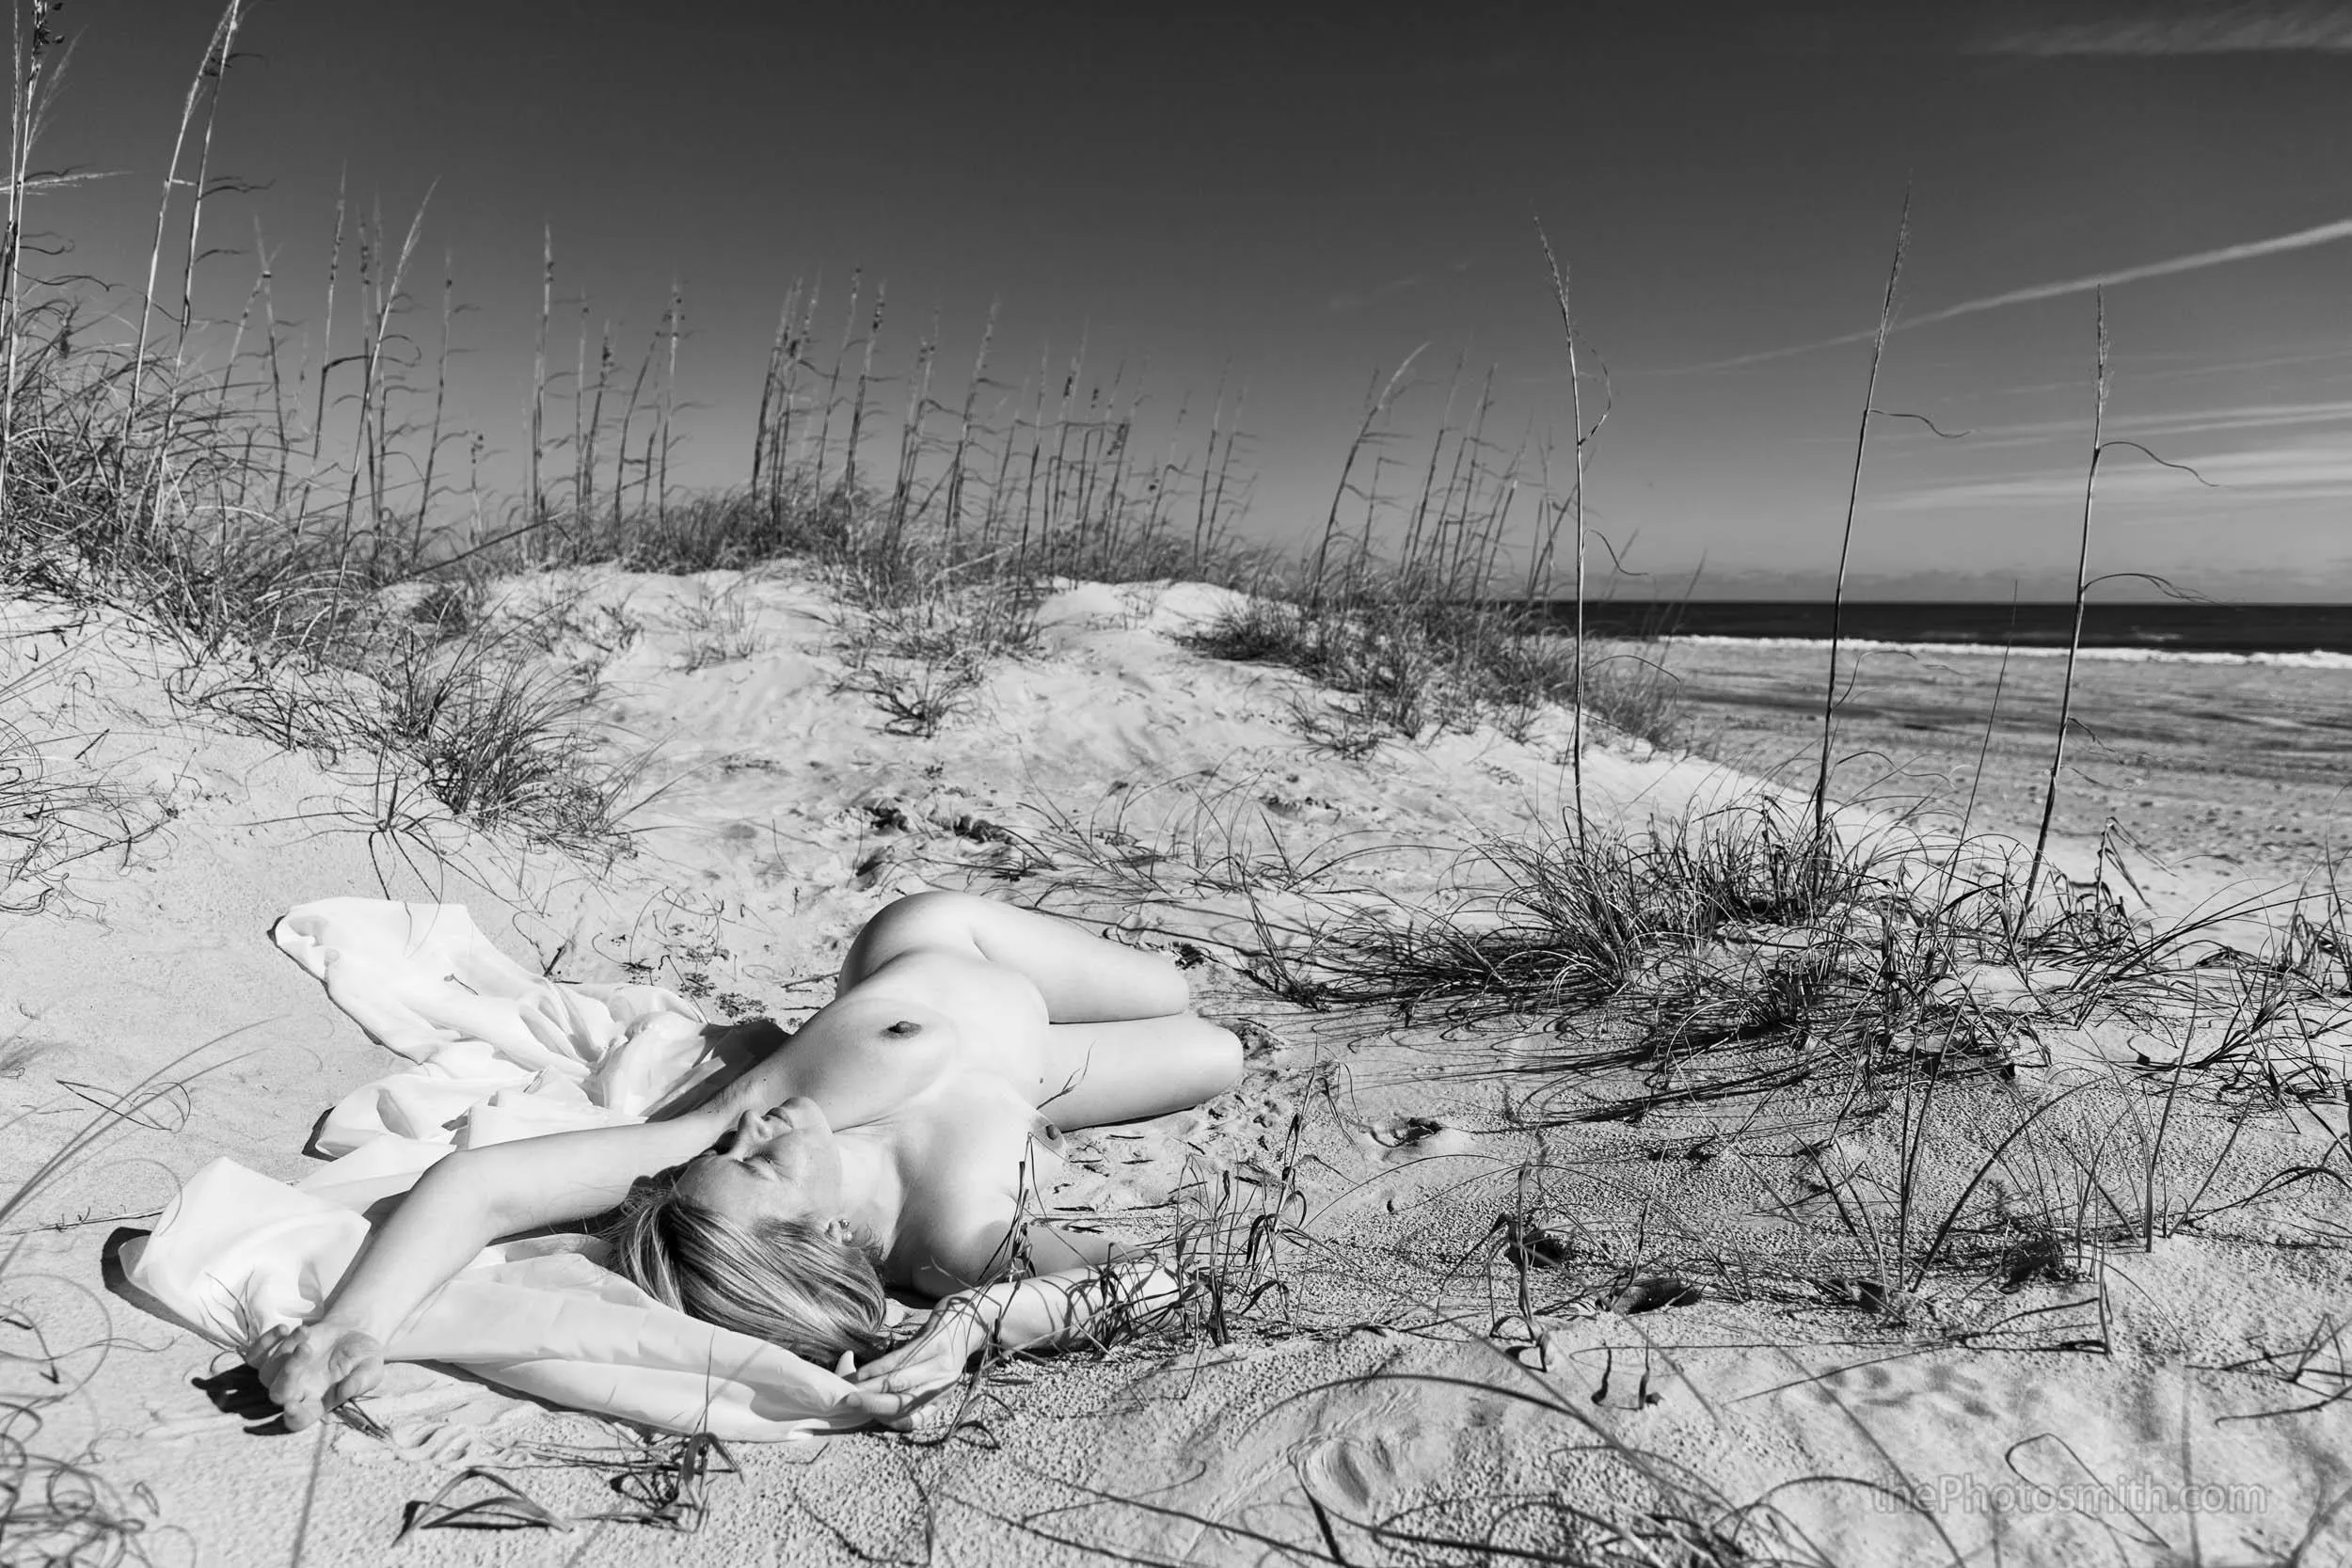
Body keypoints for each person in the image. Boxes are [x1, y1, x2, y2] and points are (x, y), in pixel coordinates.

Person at [248, 892, 1244, 1431]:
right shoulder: (955, 1236)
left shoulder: (761, 1109)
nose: (751, 1131)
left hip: (952, 937)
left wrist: (351, 1322)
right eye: (755, 1160)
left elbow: (480, 1187)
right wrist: (971, 1320)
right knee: (1217, 1051)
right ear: (829, 1235)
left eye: (731, 1144)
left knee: (1167, 983)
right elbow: (1160, 1279)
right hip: (1035, 1070)